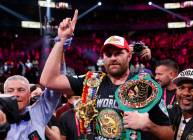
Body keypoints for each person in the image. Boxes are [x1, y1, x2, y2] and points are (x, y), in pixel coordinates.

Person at [40, 9, 173, 140]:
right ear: (103, 58)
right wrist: (61, 40)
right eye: (108, 54)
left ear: (129, 56)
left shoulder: (144, 85)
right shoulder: (91, 81)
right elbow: (48, 80)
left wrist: (148, 125)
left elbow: (170, 134)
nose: (113, 58)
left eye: (118, 53)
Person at [0, 75, 61, 139]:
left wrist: (58, 64)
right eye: (10, 91)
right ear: (4, 95)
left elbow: (56, 84)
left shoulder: (39, 112)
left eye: (21, 90)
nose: (15, 94)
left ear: (29, 94)